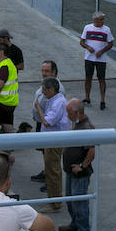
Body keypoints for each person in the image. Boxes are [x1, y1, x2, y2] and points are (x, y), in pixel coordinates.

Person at [59, 98, 96, 231]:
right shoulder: (77, 123)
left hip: (79, 173)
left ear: (76, 112)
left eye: (68, 112)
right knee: (71, 199)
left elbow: (92, 151)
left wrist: (82, 165)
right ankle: (75, 224)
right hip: (71, 171)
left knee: (80, 202)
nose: (67, 115)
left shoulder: (87, 127)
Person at [36, 77, 70, 211]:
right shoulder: (54, 100)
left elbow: (46, 122)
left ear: (51, 89)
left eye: (44, 90)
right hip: (51, 139)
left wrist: (37, 107)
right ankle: (53, 198)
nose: (43, 93)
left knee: (53, 170)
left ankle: (55, 202)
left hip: (54, 141)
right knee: (50, 169)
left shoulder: (58, 103)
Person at [80, 11, 114, 110]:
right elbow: (81, 41)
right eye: (101, 19)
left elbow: (111, 44)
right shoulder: (87, 28)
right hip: (89, 58)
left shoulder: (107, 30)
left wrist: (102, 51)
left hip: (101, 60)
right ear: (95, 20)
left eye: (103, 19)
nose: (103, 21)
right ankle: (87, 97)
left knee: (101, 79)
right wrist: (88, 47)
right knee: (88, 78)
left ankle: (102, 100)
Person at [0, 42, 22, 133]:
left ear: (1, 52)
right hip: (10, 102)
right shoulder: (9, 63)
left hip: (2, 102)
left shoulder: (4, 66)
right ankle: (10, 144)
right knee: (7, 125)